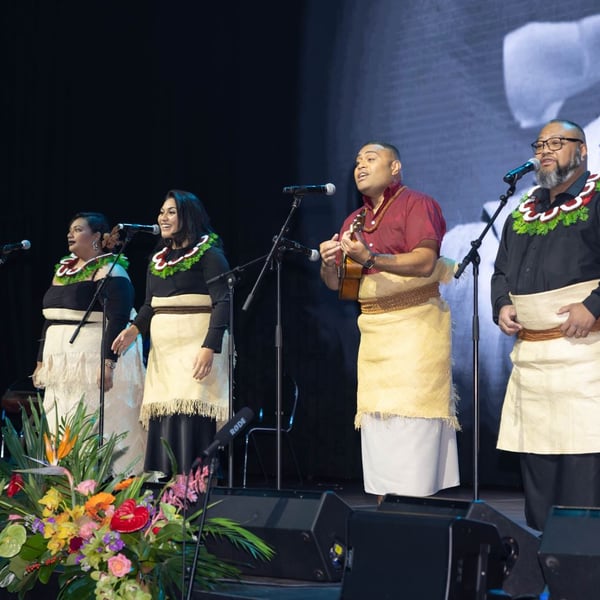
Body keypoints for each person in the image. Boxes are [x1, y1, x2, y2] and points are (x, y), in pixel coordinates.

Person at [319, 141, 460, 501]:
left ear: (395, 167)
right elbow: (343, 286)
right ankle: (386, 509)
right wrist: (327, 261)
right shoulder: (354, 221)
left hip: (415, 329)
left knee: (411, 422)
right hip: (375, 336)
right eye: (356, 162)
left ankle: (413, 510)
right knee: (380, 426)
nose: (360, 166)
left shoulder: (418, 204)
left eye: (370, 158)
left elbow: (426, 262)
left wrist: (372, 257)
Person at [491, 119, 600, 531]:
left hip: (586, 359)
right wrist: (502, 304)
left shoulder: (597, 198)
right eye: (541, 144)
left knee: (582, 473)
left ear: (583, 150)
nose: (546, 150)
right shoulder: (521, 211)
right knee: (539, 475)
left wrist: (594, 304)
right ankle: (545, 569)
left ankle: (584, 574)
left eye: (558, 142)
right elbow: (500, 272)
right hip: (533, 364)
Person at [111, 190, 230, 478]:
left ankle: (193, 487)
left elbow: (224, 301)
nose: (163, 217)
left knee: (191, 418)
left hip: (196, 346)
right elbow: (150, 304)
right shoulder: (157, 259)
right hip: (164, 354)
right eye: (162, 212)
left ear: (188, 216)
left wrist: (209, 346)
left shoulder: (210, 254)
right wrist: (134, 329)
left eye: (171, 212)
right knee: (164, 418)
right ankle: (162, 487)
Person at [32, 212, 146, 475]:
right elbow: (50, 320)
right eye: (69, 229)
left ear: (96, 237)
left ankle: (107, 482)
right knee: (61, 422)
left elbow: (117, 319)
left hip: (92, 362)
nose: (70, 234)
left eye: (78, 229)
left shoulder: (111, 269)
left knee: (91, 423)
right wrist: (40, 360)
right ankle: (63, 482)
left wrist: (108, 363)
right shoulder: (64, 271)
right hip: (61, 366)